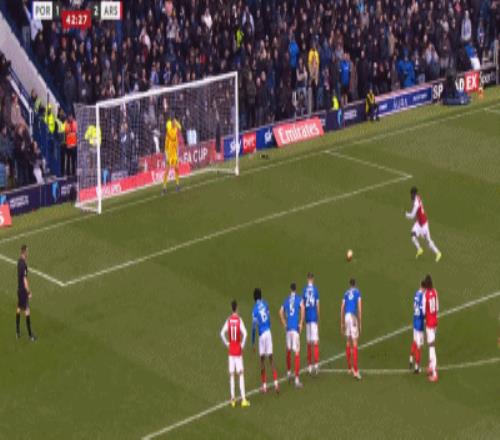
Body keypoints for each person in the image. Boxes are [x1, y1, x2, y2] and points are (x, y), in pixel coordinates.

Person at [220, 300, 250, 407]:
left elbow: (222, 333)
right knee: (240, 374)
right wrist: (242, 344)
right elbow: (245, 333)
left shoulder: (228, 320)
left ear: (231, 308)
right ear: (236, 308)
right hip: (237, 350)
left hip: (231, 351)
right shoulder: (239, 320)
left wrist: (227, 343)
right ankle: (243, 399)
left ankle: (232, 400)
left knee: (232, 374)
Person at [251, 288, 279, 393]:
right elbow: (269, 317)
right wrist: (269, 326)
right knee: (271, 359)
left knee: (262, 360)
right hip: (268, 332)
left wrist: (253, 342)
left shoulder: (254, 310)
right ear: (261, 296)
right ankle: (276, 384)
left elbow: (253, 327)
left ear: (254, 298)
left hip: (261, 335)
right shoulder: (266, 304)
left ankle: (264, 386)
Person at [405, 187, 442, 262]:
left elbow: (412, 216)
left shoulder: (416, 203)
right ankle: (419, 249)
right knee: (412, 235)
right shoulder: (417, 197)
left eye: (412, 194)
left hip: (424, 224)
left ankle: (438, 253)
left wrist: (406, 214)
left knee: (428, 242)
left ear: (414, 194)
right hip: (419, 223)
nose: (411, 196)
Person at [279, 282, 305, 388]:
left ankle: (289, 373)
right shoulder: (299, 299)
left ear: (290, 289)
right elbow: (302, 308)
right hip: (295, 329)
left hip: (288, 328)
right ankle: (297, 380)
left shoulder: (286, 300)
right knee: (297, 353)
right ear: (296, 289)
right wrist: (301, 323)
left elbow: (280, 311)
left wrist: (284, 324)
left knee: (288, 351)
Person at [341, 279, 362, 380]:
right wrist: (360, 322)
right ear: (355, 284)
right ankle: (356, 371)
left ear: (349, 285)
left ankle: (349, 368)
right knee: (355, 342)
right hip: (353, 317)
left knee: (348, 341)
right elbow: (359, 307)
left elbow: (342, 308)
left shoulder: (345, 293)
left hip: (346, 317)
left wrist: (342, 322)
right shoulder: (357, 292)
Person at [16, 245, 36, 341]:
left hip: (19, 289)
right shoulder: (23, 264)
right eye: (27, 251)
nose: (28, 253)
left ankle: (17, 332)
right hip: (23, 291)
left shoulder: (19, 261)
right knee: (27, 311)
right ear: (24, 252)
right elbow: (24, 279)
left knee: (18, 308)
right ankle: (30, 336)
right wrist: (28, 292)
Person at [302, 273, 320, 375]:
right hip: (313, 317)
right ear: (312, 279)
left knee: (308, 342)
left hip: (307, 318)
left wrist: (303, 319)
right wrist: (318, 317)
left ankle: (309, 366)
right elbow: (317, 305)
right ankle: (316, 365)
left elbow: (303, 306)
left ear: (307, 279)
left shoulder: (304, 290)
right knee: (315, 342)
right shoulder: (315, 290)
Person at [422, 275, 439, 382]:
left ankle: (434, 373)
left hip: (429, 323)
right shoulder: (435, 292)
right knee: (431, 344)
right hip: (435, 321)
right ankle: (430, 366)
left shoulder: (425, 295)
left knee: (431, 347)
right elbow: (437, 307)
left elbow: (424, 311)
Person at [409, 280, 426, 373]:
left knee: (415, 341)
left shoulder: (416, 293)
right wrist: (425, 317)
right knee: (419, 346)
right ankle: (417, 367)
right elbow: (423, 311)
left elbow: (414, 305)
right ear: (424, 288)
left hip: (415, 320)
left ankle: (411, 359)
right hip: (419, 324)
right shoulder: (423, 296)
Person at [162, 114, 181, 194]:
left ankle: (178, 184)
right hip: (169, 153)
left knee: (176, 168)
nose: (174, 123)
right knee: (167, 170)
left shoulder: (175, 128)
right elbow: (165, 147)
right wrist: (166, 155)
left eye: (174, 122)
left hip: (174, 152)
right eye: (173, 122)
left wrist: (178, 153)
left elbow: (180, 127)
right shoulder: (169, 127)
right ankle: (164, 187)